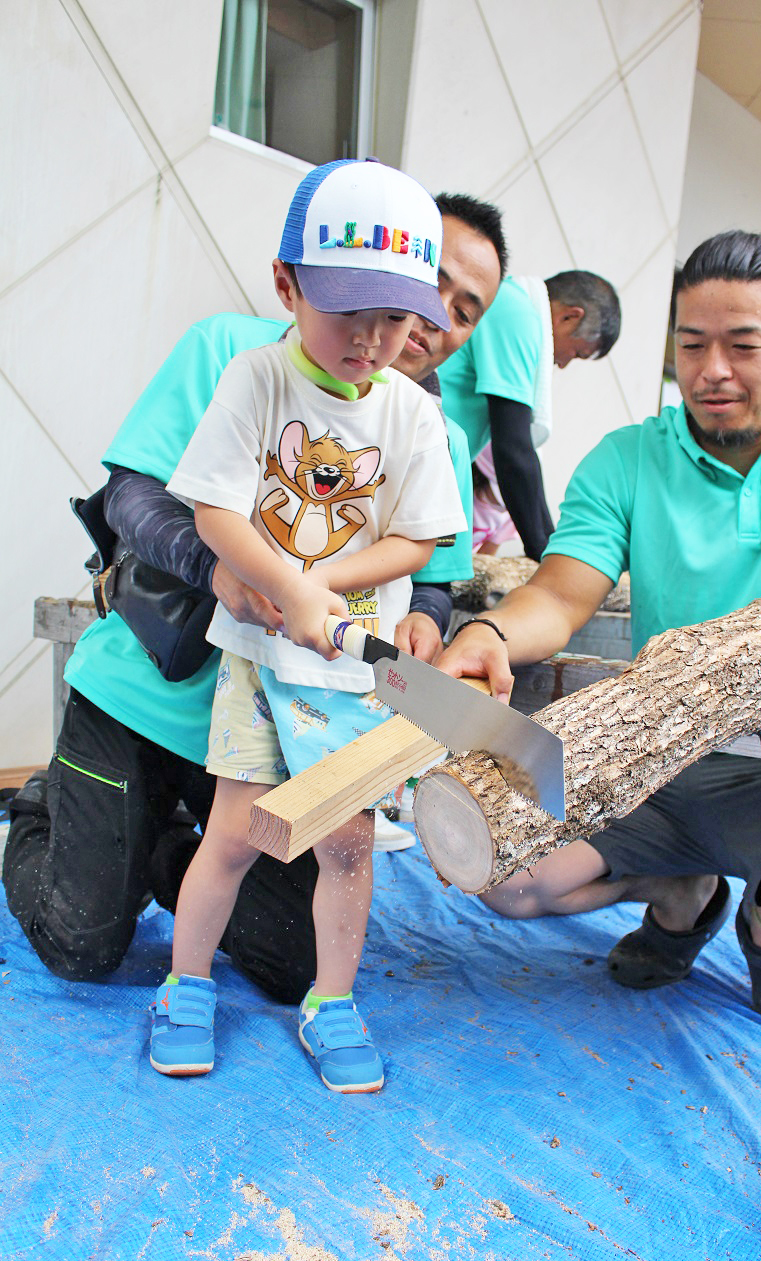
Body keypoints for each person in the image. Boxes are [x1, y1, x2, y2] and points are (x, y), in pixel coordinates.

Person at [3, 190, 506, 1003]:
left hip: (294, 723)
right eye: (428, 281)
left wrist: (425, 619)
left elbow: (437, 572)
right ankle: (47, 811)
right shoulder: (231, 354)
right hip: (148, 695)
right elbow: (131, 494)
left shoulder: (430, 431)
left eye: (463, 308)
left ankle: (166, 849)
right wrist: (222, 572)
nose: (428, 320)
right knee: (79, 940)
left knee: (291, 960)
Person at [437, 230, 761, 1034]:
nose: (712, 372)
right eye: (692, 345)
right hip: (649, 758)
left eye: (744, 346)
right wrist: (493, 631)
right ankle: (681, 892)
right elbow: (562, 597)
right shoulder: (627, 459)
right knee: (504, 874)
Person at [150, 158, 467, 1092]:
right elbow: (214, 513)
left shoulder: (414, 412)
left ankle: (333, 1001)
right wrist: (286, 590)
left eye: (396, 318)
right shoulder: (253, 381)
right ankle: (184, 984)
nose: (372, 340)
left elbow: (418, 538)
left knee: (348, 843)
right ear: (286, 284)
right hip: (258, 659)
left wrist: (323, 579)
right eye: (346, 311)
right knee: (236, 835)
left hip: (356, 672)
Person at [439, 268, 621, 561]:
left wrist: (551, 547)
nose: (562, 364)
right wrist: (547, 556)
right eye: (576, 353)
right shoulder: (517, 312)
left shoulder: (513, 304)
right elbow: (512, 448)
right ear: (570, 317)